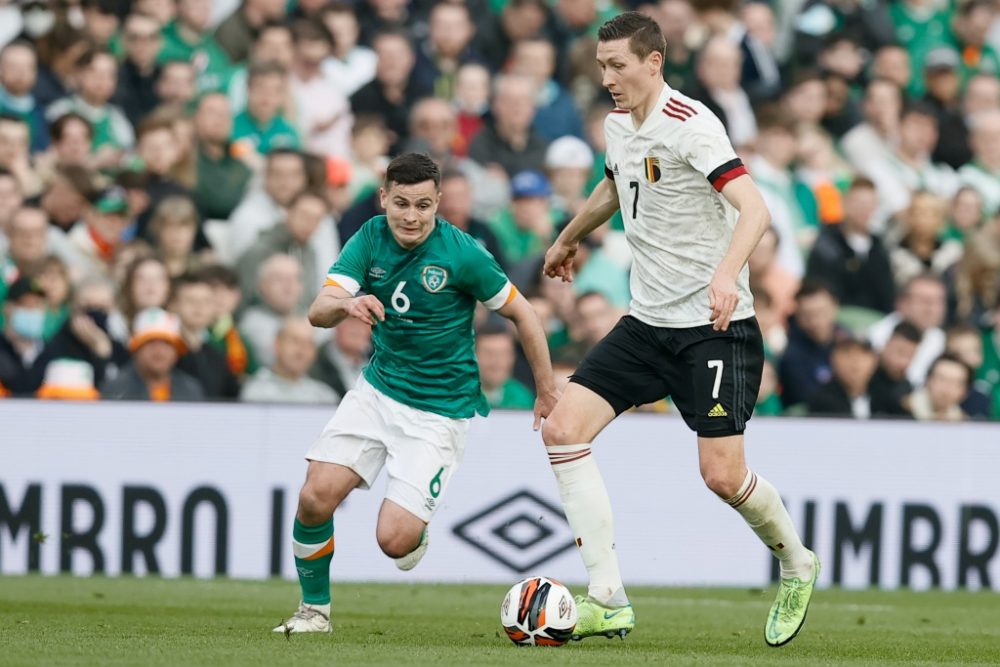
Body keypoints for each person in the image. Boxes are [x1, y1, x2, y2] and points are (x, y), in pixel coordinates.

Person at [539, 13, 818, 646]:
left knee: (721, 476)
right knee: (562, 430)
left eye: (619, 65)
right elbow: (615, 185)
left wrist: (727, 273)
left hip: (715, 327)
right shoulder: (616, 127)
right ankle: (606, 599)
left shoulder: (692, 125)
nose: (608, 78)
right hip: (647, 322)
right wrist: (566, 237)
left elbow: (756, 207)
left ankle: (796, 560)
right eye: (602, 66)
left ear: (654, 61)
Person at [273, 152, 556, 634]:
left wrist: (546, 390)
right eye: (401, 203)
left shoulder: (462, 253)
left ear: (439, 203)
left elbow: (524, 314)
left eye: (423, 205)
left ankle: (414, 531)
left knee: (394, 541)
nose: (411, 216)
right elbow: (317, 311)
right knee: (315, 497)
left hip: (439, 412)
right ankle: (313, 611)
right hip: (378, 390)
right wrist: (348, 303)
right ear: (383, 197)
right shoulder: (368, 238)